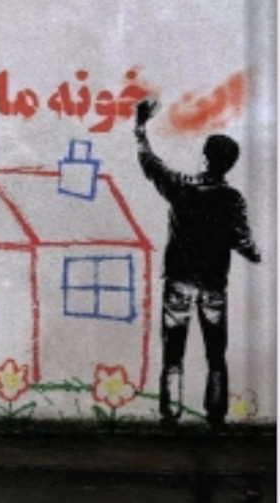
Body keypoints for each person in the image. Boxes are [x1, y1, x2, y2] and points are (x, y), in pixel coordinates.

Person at [134, 98, 261, 427]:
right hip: (214, 286)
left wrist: (140, 127)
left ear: (205, 157)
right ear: (228, 165)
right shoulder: (232, 199)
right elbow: (243, 242)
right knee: (215, 354)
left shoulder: (181, 188)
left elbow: (150, 163)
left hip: (178, 282)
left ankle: (170, 412)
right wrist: (256, 254)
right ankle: (215, 413)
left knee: (173, 353)